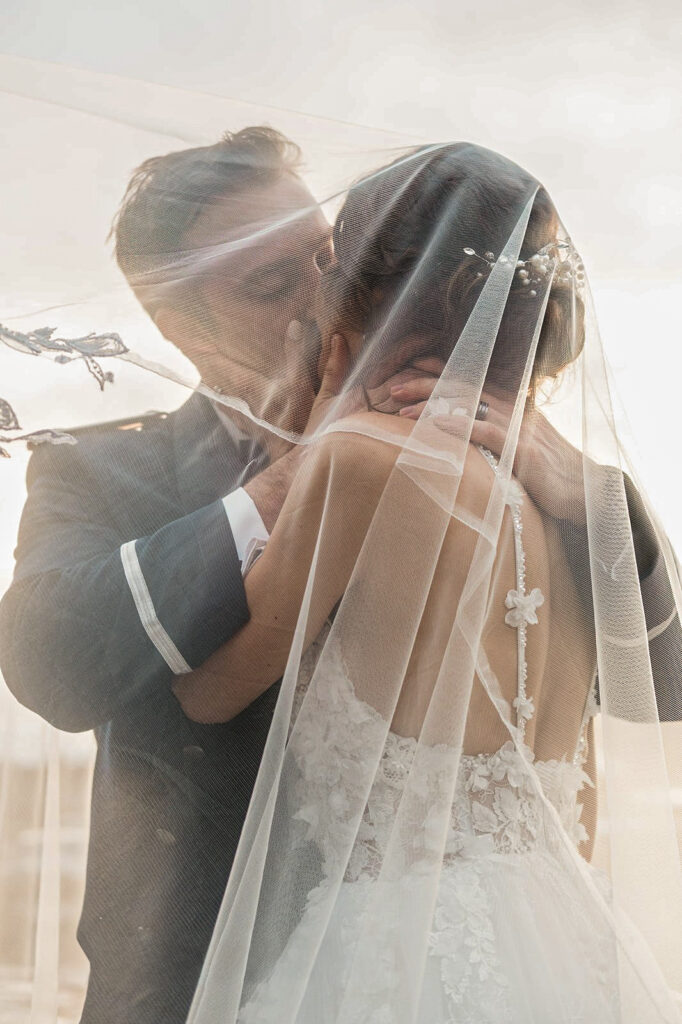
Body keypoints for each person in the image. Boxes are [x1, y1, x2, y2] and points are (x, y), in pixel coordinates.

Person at [175, 143, 682, 1023]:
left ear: (368, 296)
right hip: (565, 946)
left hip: (391, 955)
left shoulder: (356, 461)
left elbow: (207, 693)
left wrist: (318, 420)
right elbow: (585, 796)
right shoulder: (571, 500)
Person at [0, 127, 440, 1023]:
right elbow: (47, 663)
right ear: (177, 327)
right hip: (190, 987)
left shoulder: (443, 427)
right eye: (271, 284)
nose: (326, 296)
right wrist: (290, 483)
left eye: (329, 257)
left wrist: (582, 491)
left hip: (425, 973)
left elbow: (657, 682)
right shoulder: (102, 471)